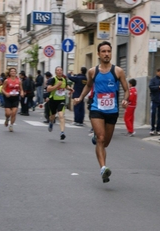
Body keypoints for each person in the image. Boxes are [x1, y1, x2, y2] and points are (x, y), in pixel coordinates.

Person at [73, 41, 129, 183]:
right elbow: (89, 86)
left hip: (112, 110)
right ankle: (103, 168)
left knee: (106, 143)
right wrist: (80, 97)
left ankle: (96, 140)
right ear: (98, 54)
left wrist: (125, 100)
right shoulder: (93, 71)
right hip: (97, 108)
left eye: (108, 51)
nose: (106, 54)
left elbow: (126, 89)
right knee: (101, 138)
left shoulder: (118, 71)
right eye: (103, 51)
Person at [46, 66, 74, 140]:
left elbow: (66, 86)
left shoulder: (64, 79)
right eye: (58, 70)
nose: (59, 71)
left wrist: (69, 88)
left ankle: (62, 132)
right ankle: (51, 122)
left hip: (61, 100)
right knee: (52, 116)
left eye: (61, 70)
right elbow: (48, 89)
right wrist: (57, 85)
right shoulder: (52, 80)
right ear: (55, 72)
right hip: (53, 100)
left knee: (61, 116)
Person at [2, 68, 24, 132]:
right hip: (8, 98)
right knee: (8, 113)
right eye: (11, 71)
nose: (13, 72)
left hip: (15, 98)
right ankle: (7, 119)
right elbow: (2, 89)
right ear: (9, 73)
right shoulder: (6, 80)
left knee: (14, 113)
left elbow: (21, 89)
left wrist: (22, 93)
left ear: (16, 72)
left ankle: (11, 125)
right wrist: (6, 93)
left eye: (14, 71)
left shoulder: (19, 81)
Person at [149, 67, 160, 135]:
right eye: (159, 72)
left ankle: (158, 129)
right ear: (157, 72)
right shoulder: (153, 80)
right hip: (154, 99)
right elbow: (151, 87)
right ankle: (152, 128)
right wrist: (158, 87)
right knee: (153, 114)